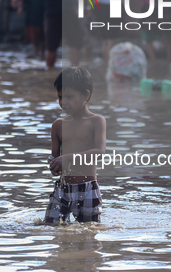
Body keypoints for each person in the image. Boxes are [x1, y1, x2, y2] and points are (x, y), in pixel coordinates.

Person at [45, 67, 105, 224]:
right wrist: (54, 165)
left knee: (88, 232)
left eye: (69, 97)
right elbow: (55, 157)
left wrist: (68, 158)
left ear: (86, 95)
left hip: (87, 189)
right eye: (60, 97)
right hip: (62, 189)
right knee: (51, 227)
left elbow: (99, 152)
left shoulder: (96, 121)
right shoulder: (58, 126)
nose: (63, 102)